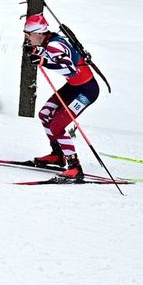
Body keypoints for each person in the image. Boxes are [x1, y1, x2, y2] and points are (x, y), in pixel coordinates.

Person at [25, 13, 100, 181]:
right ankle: (58, 155)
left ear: (38, 33)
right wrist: (35, 51)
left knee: (57, 124)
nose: (26, 38)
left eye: (28, 35)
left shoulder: (54, 46)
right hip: (74, 87)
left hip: (86, 91)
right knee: (45, 114)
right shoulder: (48, 40)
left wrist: (43, 62)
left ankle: (74, 166)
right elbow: (48, 53)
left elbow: (70, 70)